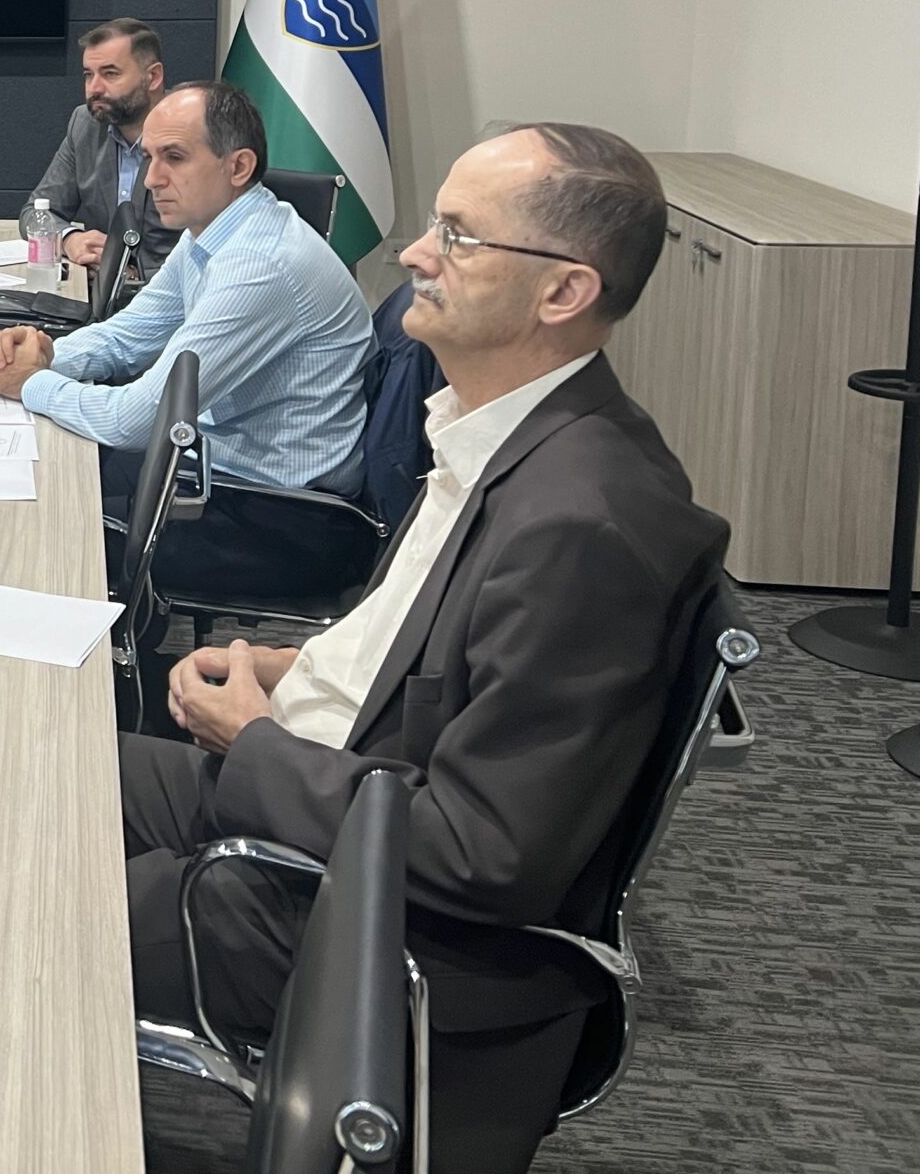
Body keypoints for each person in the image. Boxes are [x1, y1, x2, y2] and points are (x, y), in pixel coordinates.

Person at [119, 123, 727, 1174]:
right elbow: (428, 651)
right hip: (333, 791)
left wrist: (257, 743)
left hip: (378, 922)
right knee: (25, 772)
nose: (413, 253)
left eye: (458, 235)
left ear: (563, 292)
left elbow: (484, 854)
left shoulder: (585, 525)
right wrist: (284, 670)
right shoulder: (503, 435)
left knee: (14, 892)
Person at [0, 81, 372, 596]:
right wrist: (46, 354)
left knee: (41, 526)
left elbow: (136, 421)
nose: (151, 178)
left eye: (175, 158)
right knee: (37, 475)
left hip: (283, 519)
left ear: (238, 166)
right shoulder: (212, 229)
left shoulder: (260, 265)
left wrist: (31, 383)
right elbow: (128, 336)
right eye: (150, 157)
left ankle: (132, 644)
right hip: (218, 467)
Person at [20, 17, 180, 277]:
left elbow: (216, 244)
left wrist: (130, 274)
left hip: (174, 293)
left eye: (110, 74)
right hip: (98, 290)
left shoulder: (191, 132)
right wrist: (70, 239)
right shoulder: (85, 125)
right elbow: (34, 213)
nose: (94, 88)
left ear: (153, 77)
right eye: (88, 75)